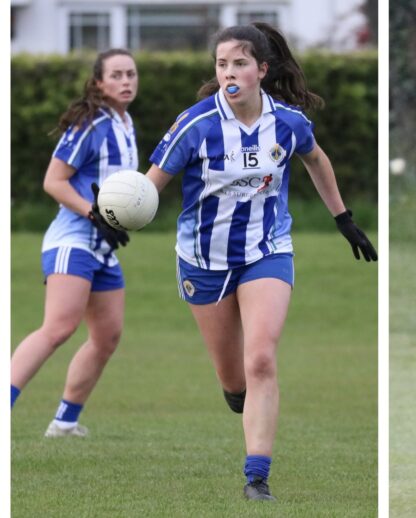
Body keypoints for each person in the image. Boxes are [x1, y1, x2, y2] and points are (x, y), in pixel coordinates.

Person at [144, 23, 377, 501]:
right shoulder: (195, 124)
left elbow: (316, 159)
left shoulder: (287, 122)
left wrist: (343, 218)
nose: (229, 72)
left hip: (267, 251)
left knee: (263, 358)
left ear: (262, 70)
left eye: (240, 63)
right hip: (203, 260)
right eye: (222, 64)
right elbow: (149, 187)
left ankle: (257, 478)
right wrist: (113, 216)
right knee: (235, 382)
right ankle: (239, 397)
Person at [11, 49, 137, 438]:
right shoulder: (90, 124)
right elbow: (54, 182)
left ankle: (64, 421)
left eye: (131, 74)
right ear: (99, 83)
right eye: (116, 75)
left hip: (102, 248)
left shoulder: (125, 121)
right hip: (73, 240)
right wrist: (95, 214)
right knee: (58, 328)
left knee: (107, 337)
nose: (126, 81)